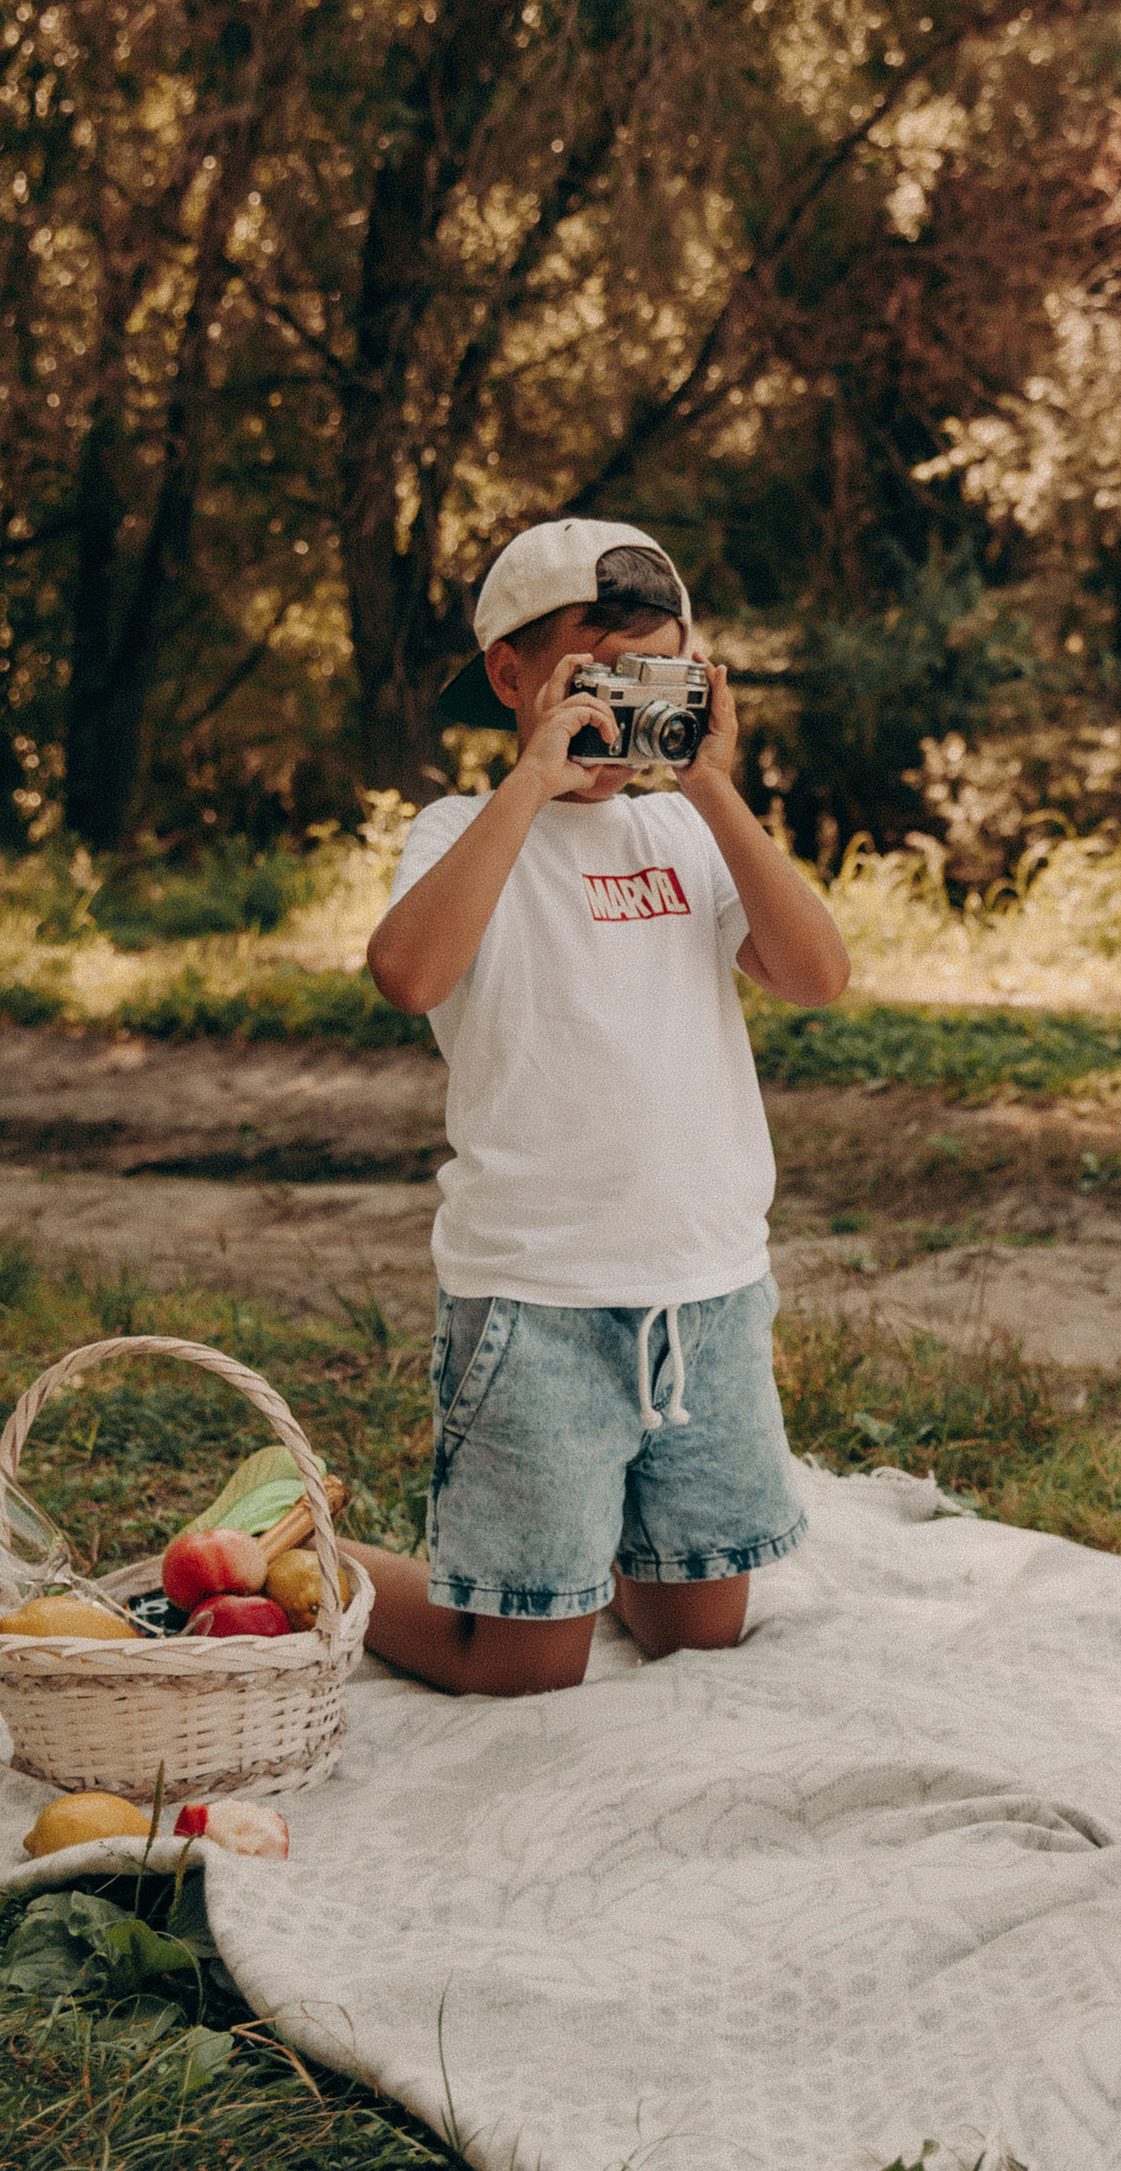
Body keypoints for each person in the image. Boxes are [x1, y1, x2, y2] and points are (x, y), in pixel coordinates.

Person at [350, 518, 849, 1696]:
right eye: (597, 680)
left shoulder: (682, 827)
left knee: (697, 1640)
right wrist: (531, 781)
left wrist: (715, 788)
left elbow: (817, 976)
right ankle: (324, 1564)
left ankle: (603, 1543)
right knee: (519, 1670)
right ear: (512, 676)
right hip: (538, 1302)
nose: (625, 715)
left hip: (705, 1293)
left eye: (658, 680)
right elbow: (408, 975)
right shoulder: (460, 834)